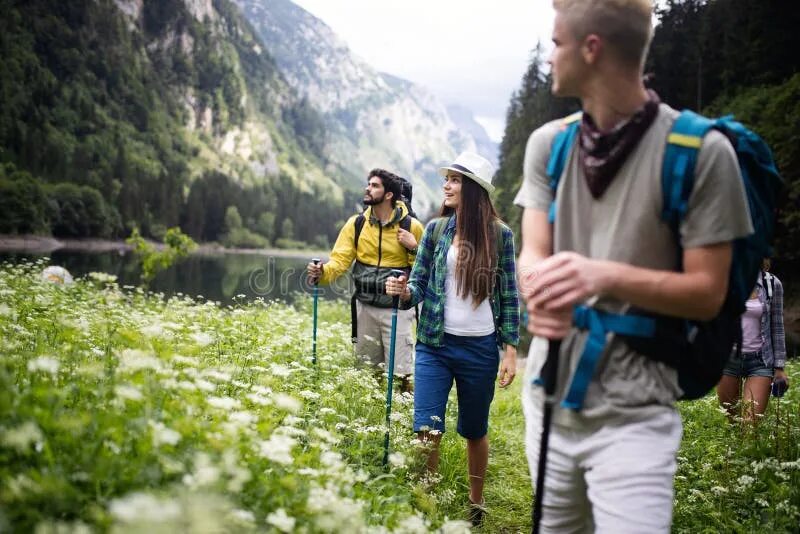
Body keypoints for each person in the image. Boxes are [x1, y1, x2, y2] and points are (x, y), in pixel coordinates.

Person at [514, 1, 753, 532]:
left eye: (557, 43)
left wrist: (601, 276)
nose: (550, 56)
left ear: (591, 48)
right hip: (549, 392)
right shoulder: (548, 145)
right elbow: (532, 251)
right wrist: (537, 288)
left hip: (636, 411)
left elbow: (707, 292)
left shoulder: (701, 152)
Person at [385, 151, 519, 527]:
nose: (447, 184)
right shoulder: (434, 230)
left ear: (474, 189)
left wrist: (510, 352)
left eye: (456, 179)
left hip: (480, 348)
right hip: (434, 344)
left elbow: (509, 294)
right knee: (427, 426)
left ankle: (476, 503)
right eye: (447, 179)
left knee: (475, 430)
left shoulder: (500, 236)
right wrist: (403, 290)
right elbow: (418, 285)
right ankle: (425, 502)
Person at [307, 169, 423, 391]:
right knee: (367, 372)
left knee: (401, 374)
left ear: (389, 195)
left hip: (397, 308)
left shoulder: (412, 227)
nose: (367, 189)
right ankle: (371, 417)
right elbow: (339, 261)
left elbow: (425, 270)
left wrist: (414, 248)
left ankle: (398, 418)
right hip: (365, 307)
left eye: (375, 185)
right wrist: (322, 272)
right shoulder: (357, 224)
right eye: (368, 184)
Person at [717, 259, 789, 422]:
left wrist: (779, 367)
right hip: (728, 360)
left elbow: (777, 327)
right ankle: (734, 448)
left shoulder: (771, 284)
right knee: (733, 422)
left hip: (761, 362)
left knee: (751, 424)